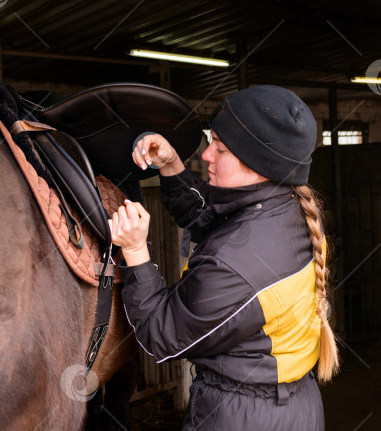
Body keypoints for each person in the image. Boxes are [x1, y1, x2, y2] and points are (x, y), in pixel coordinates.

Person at [109, 85, 339, 430]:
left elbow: (161, 334)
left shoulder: (233, 265)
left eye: (220, 148)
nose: (206, 156)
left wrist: (135, 251)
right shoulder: (288, 206)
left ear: (259, 165)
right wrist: (171, 164)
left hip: (240, 416)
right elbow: (213, 216)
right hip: (295, 407)